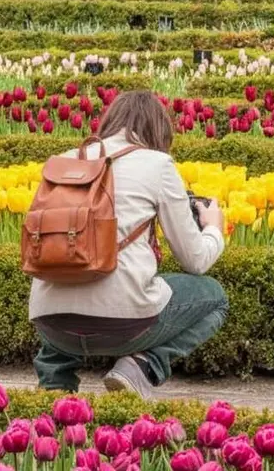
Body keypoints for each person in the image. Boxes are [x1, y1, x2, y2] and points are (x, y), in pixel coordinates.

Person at [29, 91, 228, 398]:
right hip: (124, 326)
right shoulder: (158, 164)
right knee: (215, 297)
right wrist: (213, 228)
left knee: (65, 270)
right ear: (159, 130)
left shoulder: (62, 162)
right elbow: (195, 261)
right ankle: (144, 365)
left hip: (51, 323)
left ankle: (54, 391)